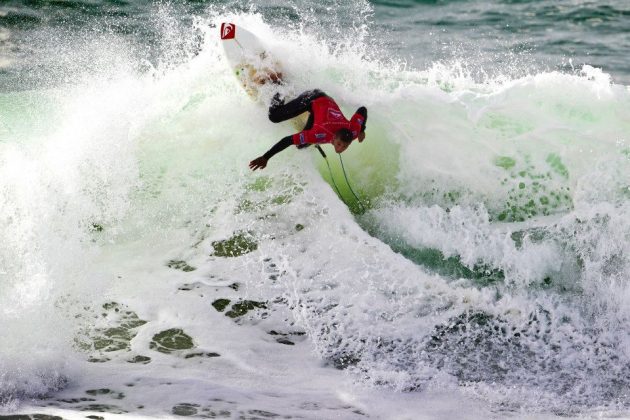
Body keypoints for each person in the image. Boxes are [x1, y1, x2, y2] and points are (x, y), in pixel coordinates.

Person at [249, 89, 367, 170]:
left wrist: (362, 129)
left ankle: (312, 116)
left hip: (327, 102)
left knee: (302, 145)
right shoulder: (319, 133)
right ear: (334, 137)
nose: (340, 149)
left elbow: (362, 109)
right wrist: (266, 157)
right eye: (339, 144)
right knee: (274, 117)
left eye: (344, 146)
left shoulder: (354, 132)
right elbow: (287, 140)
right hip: (313, 97)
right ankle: (280, 88)